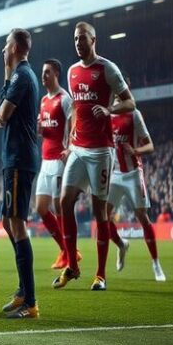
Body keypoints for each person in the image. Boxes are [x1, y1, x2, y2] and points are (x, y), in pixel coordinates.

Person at [53, 21, 135, 291]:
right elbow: (76, 107)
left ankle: (100, 275)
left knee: (99, 211)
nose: (78, 43)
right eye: (75, 39)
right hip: (78, 147)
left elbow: (130, 101)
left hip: (101, 150)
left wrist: (110, 108)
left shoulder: (107, 68)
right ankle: (73, 266)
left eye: (82, 38)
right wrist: (69, 136)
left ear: (93, 39)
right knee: (64, 202)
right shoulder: (73, 72)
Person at [0, 29, 40, 319]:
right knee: (8, 222)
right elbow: (2, 105)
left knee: (17, 224)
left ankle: (31, 301)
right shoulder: (19, 74)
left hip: (19, 158)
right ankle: (24, 290)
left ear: (17, 47)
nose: (2, 49)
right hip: (16, 158)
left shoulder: (22, 76)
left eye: (6, 44)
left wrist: (1, 115)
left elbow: (3, 114)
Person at [108, 78, 165, 282]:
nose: (117, 92)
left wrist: (135, 150)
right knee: (103, 216)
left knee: (142, 217)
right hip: (113, 175)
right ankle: (122, 245)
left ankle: (156, 264)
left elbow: (150, 146)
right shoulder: (107, 114)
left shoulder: (134, 115)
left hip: (132, 173)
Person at [35, 59, 76, 269]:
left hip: (59, 161)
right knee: (41, 208)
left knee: (60, 209)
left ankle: (70, 254)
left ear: (56, 74)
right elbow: (44, 130)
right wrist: (40, 129)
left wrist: (69, 148)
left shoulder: (64, 99)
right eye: (43, 72)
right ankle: (66, 250)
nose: (44, 76)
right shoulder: (43, 100)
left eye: (47, 72)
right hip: (45, 160)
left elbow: (74, 123)